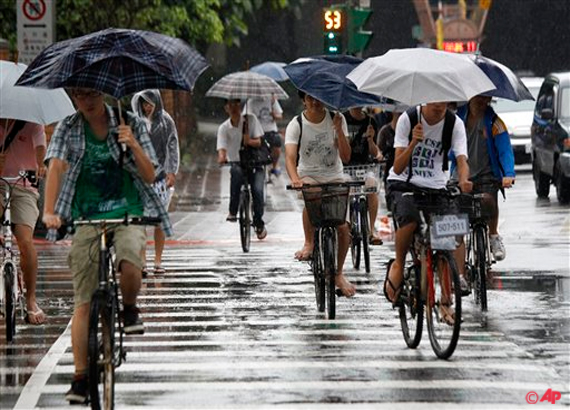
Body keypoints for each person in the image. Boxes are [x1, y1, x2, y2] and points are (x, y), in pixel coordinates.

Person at [42, 88, 172, 404]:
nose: (86, 101)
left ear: (102, 93)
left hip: (127, 212)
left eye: (91, 94)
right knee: (83, 301)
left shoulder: (129, 122)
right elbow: (56, 166)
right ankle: (80, 378)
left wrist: (133, 144)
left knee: (130, 264)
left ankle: (129, 308)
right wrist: (49, 211)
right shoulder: (69, 127)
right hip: (86, 217)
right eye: (79, 95)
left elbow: (150, 173)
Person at [384, 102, 472, 323]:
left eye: (444, 99)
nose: (440, 105)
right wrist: (414, 142)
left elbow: (462, 160)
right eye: (435, 99)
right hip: (403, 184)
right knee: (410, 221)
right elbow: (397, 167)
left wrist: (463, 180)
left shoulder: (454, 123)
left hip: (437, 187)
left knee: (447, 236)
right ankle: (399, 263)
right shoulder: (408, 119)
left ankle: (446, 302)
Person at [284, 91, 355, 297]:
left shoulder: (337, 118)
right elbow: (290, 157)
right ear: (303, 100)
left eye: (318, 97)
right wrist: (295, 179)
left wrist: (339, 131)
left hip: (334, 176)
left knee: (343, 227)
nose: (315, 102)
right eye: (310, 98)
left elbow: (346, 157)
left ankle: (338, 273)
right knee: (311, 194)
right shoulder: (296, 124)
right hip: (309, 176)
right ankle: (309, 242)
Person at [451, 95, 515, 266]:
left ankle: (493, 235)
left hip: (487, 174)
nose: (483, 101)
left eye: (487, 97)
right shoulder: (456, 120)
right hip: (461, 176)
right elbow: (447, 149)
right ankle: (458, 253)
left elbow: (505, 150)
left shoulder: (495, 122)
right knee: (457, 210)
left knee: (489, 200)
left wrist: (508, 174)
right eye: (480, 97)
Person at [0, 118, 47, 325]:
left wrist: (41, 165)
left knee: (26, 243)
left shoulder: (33, 123)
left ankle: (31, 300)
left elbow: (40, 148)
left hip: (23, 186)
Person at [131, 90, 180, 275]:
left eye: (150, 103)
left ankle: (158, 260)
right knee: (141, 220)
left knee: (159, 220)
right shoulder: (135, 121)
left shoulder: (166, 121)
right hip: (140, 177)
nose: (147, 107)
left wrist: (171, 171)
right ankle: (142, 261)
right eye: (144, 103)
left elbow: (173, 146)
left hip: (160, 179)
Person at [216, 99, 267, 240]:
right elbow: (222, 149)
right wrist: (222, 157)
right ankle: (233, 211)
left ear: (240, 106)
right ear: (226, 108)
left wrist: (248, 141)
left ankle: (258, 221)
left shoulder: (251, 120)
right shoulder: (224, 128)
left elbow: (259, 141)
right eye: (230, 105)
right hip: (237, 163)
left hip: (255, 163)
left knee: (257, 190)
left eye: (236, 104)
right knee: (236, 173)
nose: (234, 107)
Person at [343, 107, 383, 245]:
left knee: (372, 185)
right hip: (346, 168)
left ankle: (371, 229)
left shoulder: (371, 121)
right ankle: (347, 226)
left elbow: (374, 151)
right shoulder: (342, 119)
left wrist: (371, 140)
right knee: (345, 187)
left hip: (365, 166)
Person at [244, 96, 283, 176]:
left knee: (277, 142)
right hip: (257, 131)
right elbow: (245, 116)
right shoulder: (250, 102)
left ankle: (274, 166)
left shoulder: (272, 100)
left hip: (271, 130)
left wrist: (275, 115)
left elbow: (280, 116)